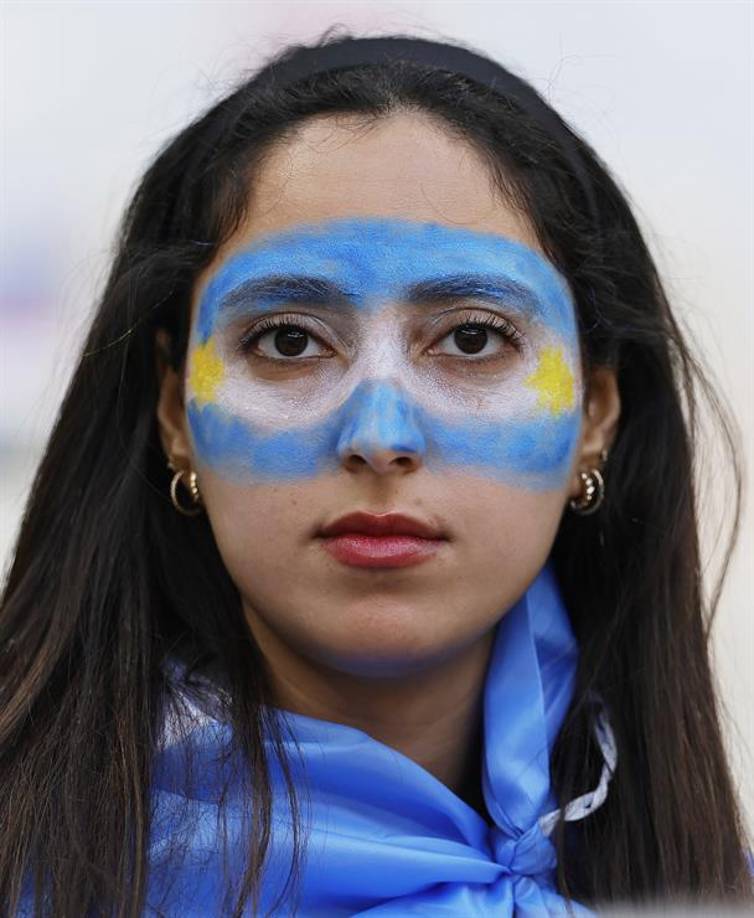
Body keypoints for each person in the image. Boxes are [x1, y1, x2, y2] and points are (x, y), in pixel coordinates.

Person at [1, 30, 751, 917]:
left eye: (473, 338)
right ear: (176, 415)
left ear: (595, 416)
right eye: (288, 340)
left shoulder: (705, 882)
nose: (379, 435)